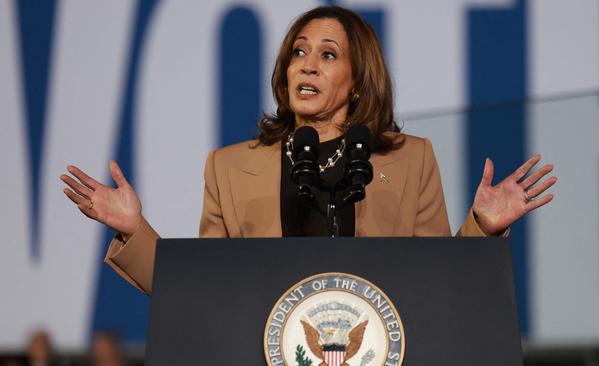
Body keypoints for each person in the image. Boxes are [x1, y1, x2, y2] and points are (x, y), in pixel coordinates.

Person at [60, 6, 556, 294]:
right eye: (298, 52)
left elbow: (437, 288)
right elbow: (203, 294)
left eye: (327, 55)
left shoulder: (409, 160)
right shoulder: (230, 168)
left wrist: (482, 230)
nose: (307, 66)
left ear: (359, 80)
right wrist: (134, 231)